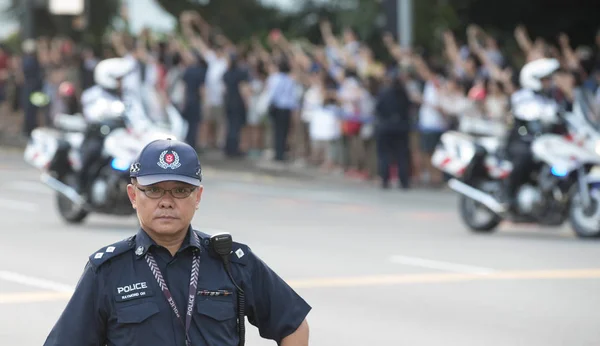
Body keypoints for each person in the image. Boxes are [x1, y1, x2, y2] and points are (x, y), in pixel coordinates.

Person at [43, 138, 311, 346]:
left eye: (181, 190)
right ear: (134, 195)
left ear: (198, 196)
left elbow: (293, 325)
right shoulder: (107, 270)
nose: (167, 201)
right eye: (154, 190)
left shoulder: (231, 261)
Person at [501, 58, 563, 210]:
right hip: (521, 141)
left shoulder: (548, 97)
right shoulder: (522, 96)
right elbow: (530, 112)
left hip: (542, 142)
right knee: (524, 158)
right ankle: (508, 194)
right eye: (545, 79)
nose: (549, 82)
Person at [77, 57, 137, 195]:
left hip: (118, 138)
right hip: (97, 136)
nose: (121, 82)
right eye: (118, 79)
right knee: (92, 153)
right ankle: (81, 187)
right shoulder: (92, 94)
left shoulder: (125, 95)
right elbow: (92, 114)